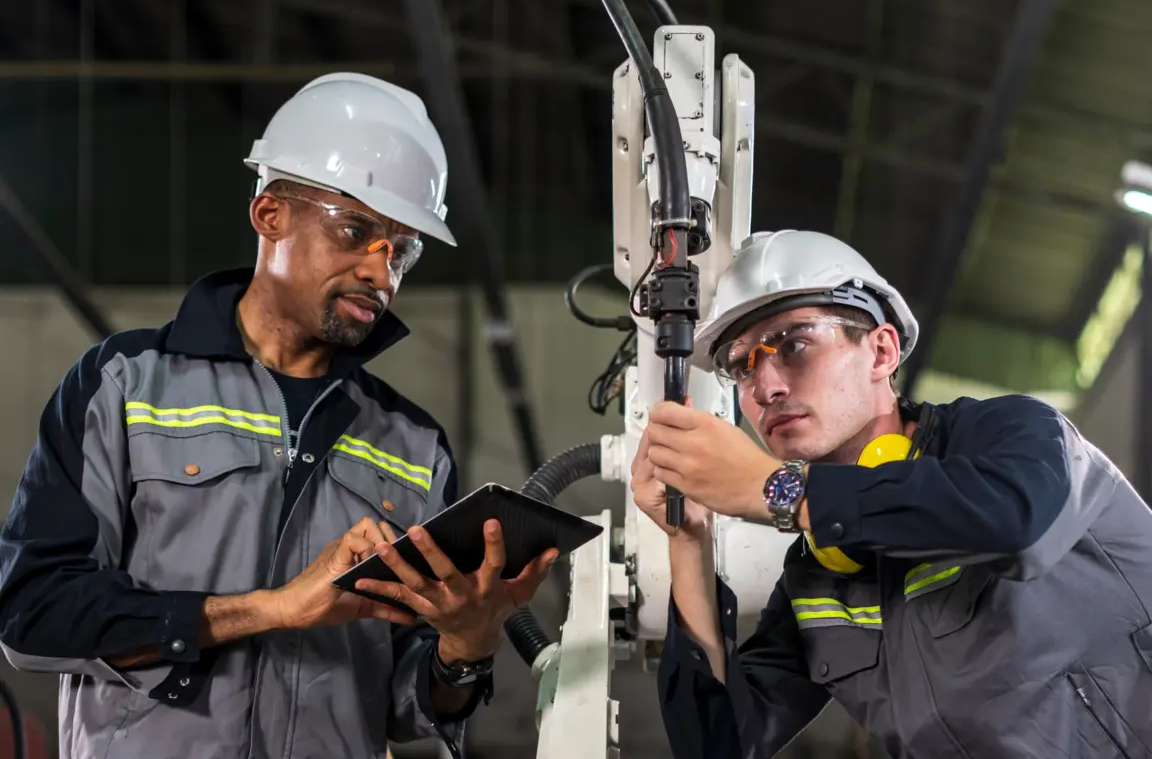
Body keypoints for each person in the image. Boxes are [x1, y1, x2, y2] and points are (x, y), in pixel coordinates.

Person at [0, 72, 557, 759]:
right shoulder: (124, 388)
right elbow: (34, 615)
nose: (381, 275)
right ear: (271, 216)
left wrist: (463, 650)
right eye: (357, 231)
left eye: (401, 250)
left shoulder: (414, 446)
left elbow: (407, 706)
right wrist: (270, 607)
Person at [633, 229, 1152, 757]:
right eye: (741, 366)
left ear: (881, 352)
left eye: (794, 345)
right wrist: (689, 540)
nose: (765, 388)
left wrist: (776, 489)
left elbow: (1016, 523)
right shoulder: (815, 579)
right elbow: (716, 746)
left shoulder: (1012, 435)